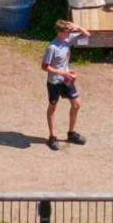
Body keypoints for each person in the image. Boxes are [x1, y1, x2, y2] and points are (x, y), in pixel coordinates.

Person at [42, 21, 88, 149]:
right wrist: (61, 72)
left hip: (66, 80)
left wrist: (78, 27)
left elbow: (87, 35)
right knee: (53, 107)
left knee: (76, 104)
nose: (69, 34)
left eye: (70, 32)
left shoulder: (68, 39)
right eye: (67, 32)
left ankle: (71, 133)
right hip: (54, 82)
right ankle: (52, 137)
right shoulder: (52, 47)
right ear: (59, 32)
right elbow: (45, 66)